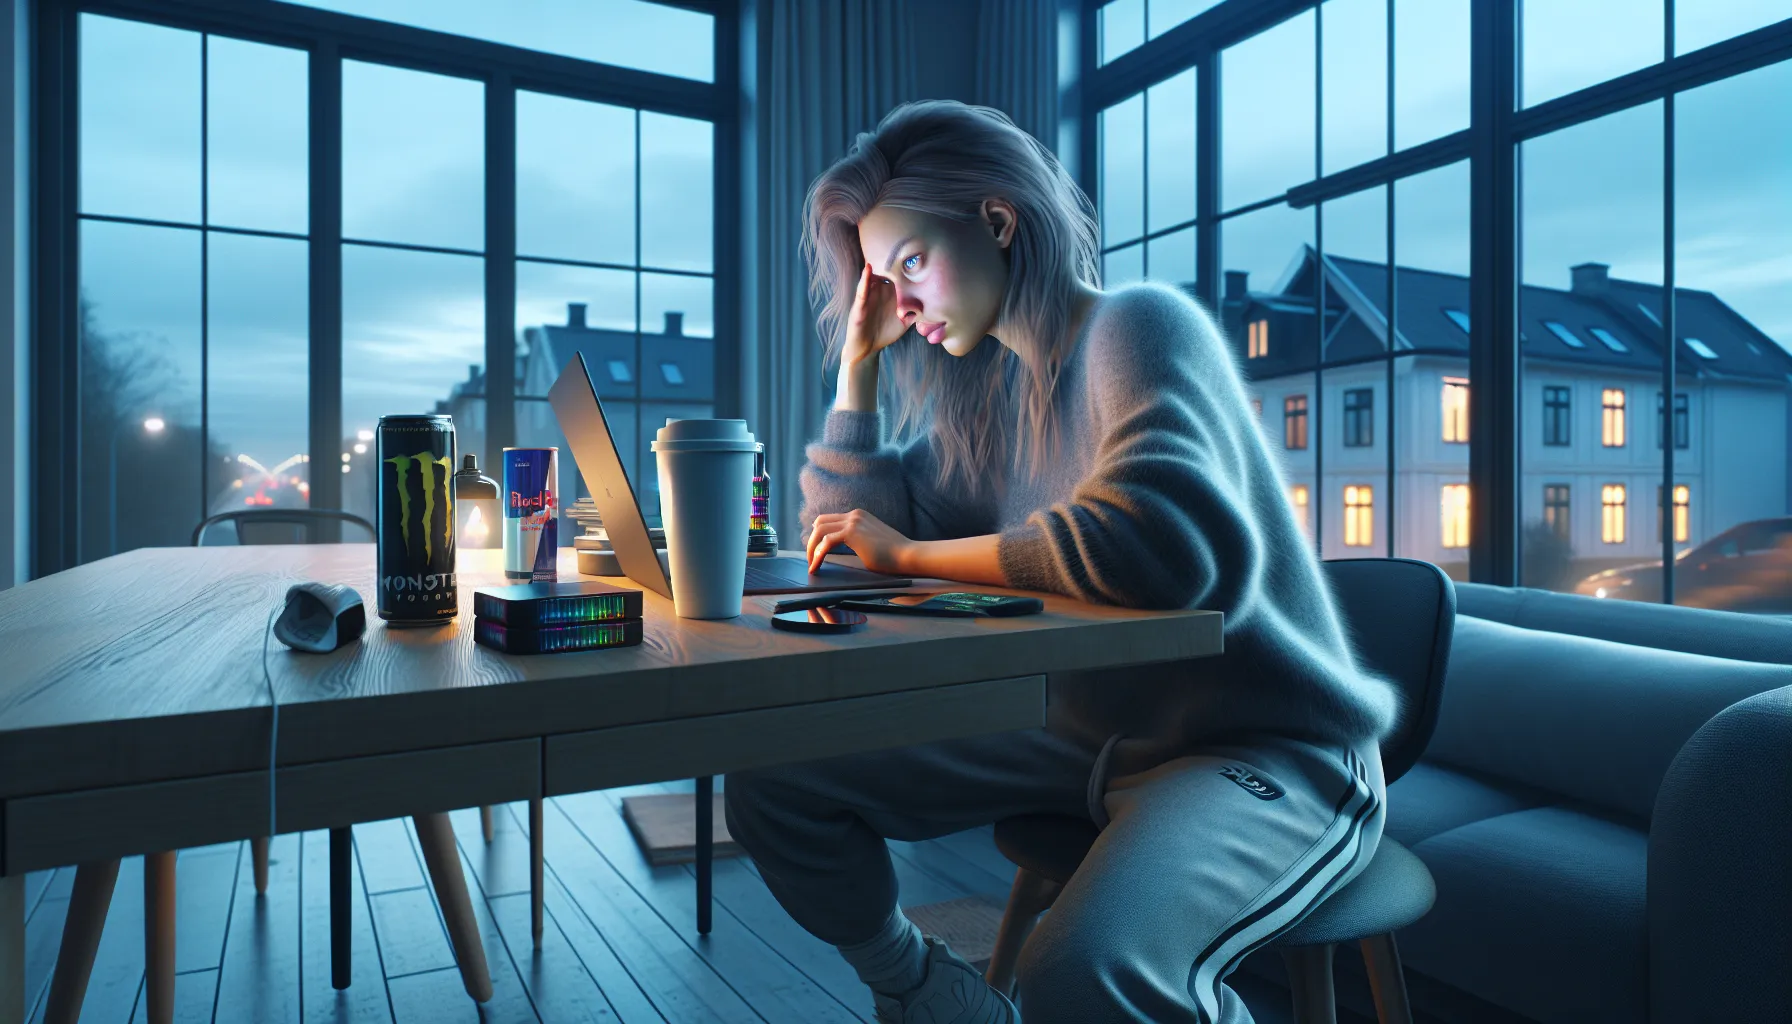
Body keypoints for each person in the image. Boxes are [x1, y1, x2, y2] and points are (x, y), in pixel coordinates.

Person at [723, 99, 1400, 1024]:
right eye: (883, 277)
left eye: (910, 263)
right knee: (774, 779)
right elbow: (850, 557)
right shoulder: (989, 396)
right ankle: (929, 993)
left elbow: (1157, 550)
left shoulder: (1141, 327)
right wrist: (858, 376)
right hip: (1084, 738)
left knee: (1081, 976)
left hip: (1266, 745)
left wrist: (914, 550)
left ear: (998, 222)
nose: (900, 301)